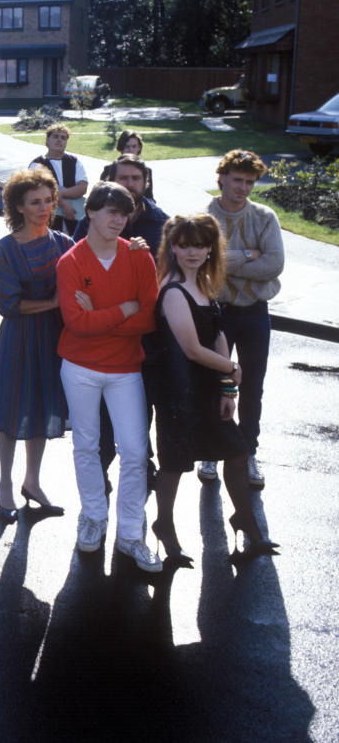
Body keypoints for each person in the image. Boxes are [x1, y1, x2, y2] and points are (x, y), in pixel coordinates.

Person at [151, 214, 278, 564]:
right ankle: (164, 524)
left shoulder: (206, 285)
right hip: (179, 390)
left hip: (208, 387)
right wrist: (233, 368)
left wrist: (227, 388)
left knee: (238, 451)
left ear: (211, 248)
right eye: (184, 244)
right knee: (175, 463)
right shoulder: (172, 289)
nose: (192, 252)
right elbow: (191, 348)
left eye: (200, 245)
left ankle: (243, 518)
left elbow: (218, 335)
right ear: (172, 247)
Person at [57, 181, 162, 572]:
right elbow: (75, 323)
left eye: (124, 213)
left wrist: (101, 317)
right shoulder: (71, 262)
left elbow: (148, 317)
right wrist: (123, 310)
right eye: (110, 212)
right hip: (80, 367)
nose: (118, 220)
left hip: (125, 368)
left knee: (134, 451)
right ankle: (94, 517)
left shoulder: (139, 258)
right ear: (91, 213)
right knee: (86, 444)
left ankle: (132, 533)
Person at [0, 168, 72, 521]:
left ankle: (33, 482)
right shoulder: (6, 248)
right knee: (12, 412)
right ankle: (5, 483)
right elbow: (8, 304)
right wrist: (55, 302)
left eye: (48, 200)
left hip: (54, 339)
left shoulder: (64, 243)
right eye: (35, 202)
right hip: (19, 339)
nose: (43, 207)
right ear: (18, 207)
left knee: (39, 410)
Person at [201, 150, 284, 489]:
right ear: (222, 178)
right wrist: (250, 255)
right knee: (213, 381)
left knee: (252, 385)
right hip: (216, 310)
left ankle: (249, 452)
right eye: (238, 180)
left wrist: (224, 263)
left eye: (250, 182)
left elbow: (274, 264)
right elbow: (201, 261)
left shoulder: (265, 217)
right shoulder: (205, 217)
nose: (244, 188)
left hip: (254, 312)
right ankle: (209, 449)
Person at [74, 155, 168, 256]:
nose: (130, 184)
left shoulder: (162, 223)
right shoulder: (93, 220)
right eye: (123, 178)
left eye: (136, 178)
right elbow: (75, 256)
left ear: (146, 183)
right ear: (112, 181)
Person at [29, 122, 87, 235]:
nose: (59, 140)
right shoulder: (37, 165)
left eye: (63, 138)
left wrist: (60, 194)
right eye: (55, 136)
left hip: (73, 218)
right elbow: (36, 193)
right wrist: (63, 203)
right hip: (46, 220)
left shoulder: (74, 162)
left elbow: (82, 187)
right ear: (47, 141)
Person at [100, 130, 154, 199]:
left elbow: (149, 198)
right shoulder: (109, 170)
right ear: (121, 149)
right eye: (127, 147)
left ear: (139, 148)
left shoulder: (146, 170)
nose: (130, 150)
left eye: (134, 146)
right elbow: (102, 197)